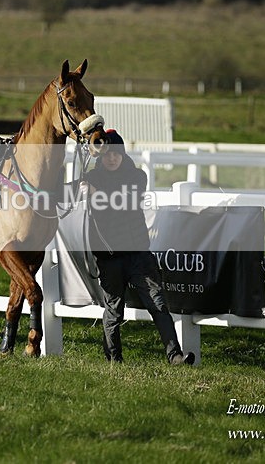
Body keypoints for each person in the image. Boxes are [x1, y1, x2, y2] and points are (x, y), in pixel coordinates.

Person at [84, 129, 195, 365]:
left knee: (158, 303)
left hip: (138, 253)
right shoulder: (91, 178)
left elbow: (122, 201)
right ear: (100, 156)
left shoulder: (137, 176)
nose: (112, 158)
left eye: (116, 154)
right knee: (114, 310)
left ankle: (174, 355)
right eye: (107, 155)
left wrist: (97, 193)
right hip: (108, 256)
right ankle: (114, 358)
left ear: (123, 154)